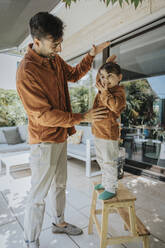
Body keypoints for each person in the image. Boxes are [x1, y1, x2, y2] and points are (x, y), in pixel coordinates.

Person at [16, 12, 111, 248]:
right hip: (43, 141)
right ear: (36, 41)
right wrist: (82, 117)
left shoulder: (54, 60)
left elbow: (75, 74)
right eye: (54, 43)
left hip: (60, 137)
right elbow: (43, 115)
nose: (58, 49)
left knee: (60, 185)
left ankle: (59, 223)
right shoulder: (26, 72)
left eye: (60, 43)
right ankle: (30, 241)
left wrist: (91, 55)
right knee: (38, 196)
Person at [92, 61, 126, 200]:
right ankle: (105, 183)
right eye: (103, 77)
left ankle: (111, 188)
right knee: (101, 160)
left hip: (108, 134)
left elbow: (115, 107)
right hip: (98, 132)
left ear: (119, 77)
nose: (105, 80)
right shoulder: (103, 88)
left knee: (109, 161)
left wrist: (105, 92)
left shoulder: (119, 92)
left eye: (109, 76)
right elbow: (98, 80)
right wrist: (103, 67)